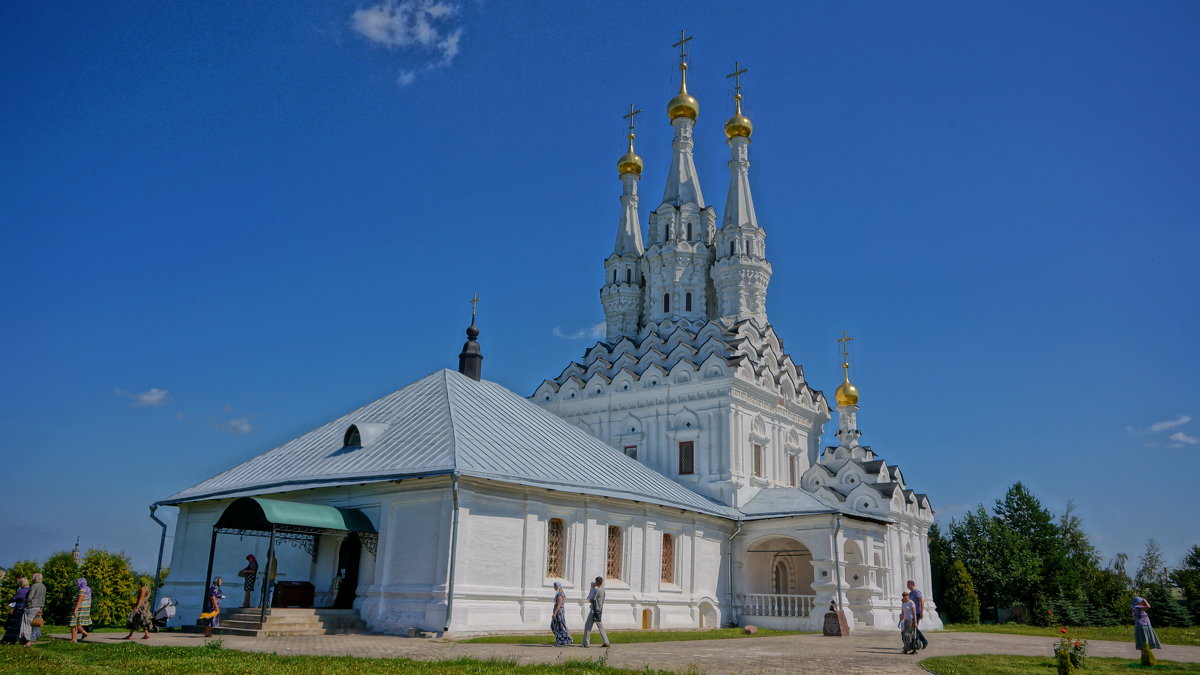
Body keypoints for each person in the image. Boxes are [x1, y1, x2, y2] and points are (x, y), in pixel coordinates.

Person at [581, 577, 610, 648]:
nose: (595, 583)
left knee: (587, 626)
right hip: (599, 610)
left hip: (594, 611)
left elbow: (592, 600)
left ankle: (586, 643)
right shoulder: (603, 590)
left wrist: (591, 590)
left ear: (598, 582)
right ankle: (606, 641)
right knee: (600, 626)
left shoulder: (597, 590)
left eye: (596, 582)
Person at [20, 573, 46, 646]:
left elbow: (30, 597)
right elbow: (43, 599)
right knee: (33, 625)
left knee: (27, 624)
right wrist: (41, 608)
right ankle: (31, 639)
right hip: (38, 608)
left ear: (35, 579)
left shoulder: (34, 586)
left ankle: (27, 642)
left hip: (31, 607)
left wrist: (24, 604)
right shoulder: (44, 586)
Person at [2, 575, 29, 644]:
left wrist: (8, 601)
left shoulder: (21, 591)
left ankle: (10, 639)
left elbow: (14, 598)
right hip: (26, 608)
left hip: (18, 608)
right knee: (21, 625)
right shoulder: (30, 589)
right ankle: (19, 639)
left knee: (13, 625)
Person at [907, 580, 929, 650]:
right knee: (913, 628)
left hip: (917, 612)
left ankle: (924, 641)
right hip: (912, 613)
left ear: (912, 585)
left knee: (914, 627)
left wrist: (921, 612)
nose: (907, 586)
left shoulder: (916, 592)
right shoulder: (910, 594)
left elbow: (921, 601)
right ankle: (916, 642)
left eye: (908, 585)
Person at [68, 578, 92, 642]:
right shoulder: (88, 589)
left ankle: (73, 639)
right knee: (77, 623)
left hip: (79, 609)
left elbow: (80, 600)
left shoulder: (82, 590)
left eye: (77, 582)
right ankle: (84, 633)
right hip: (85, 609)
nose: (76, 584)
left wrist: (75, 609)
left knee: (73, 623)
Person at [549, 581, 573, 646]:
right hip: (559, 611)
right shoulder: (560, 593)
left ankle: (565, 639)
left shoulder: (559, 594)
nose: (553, 587)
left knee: (558, 626)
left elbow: (559, 605)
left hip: (558, 612)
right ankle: (561, 640)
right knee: (557, 626)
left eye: (554, 586)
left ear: (557, 586)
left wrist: (555, 613)